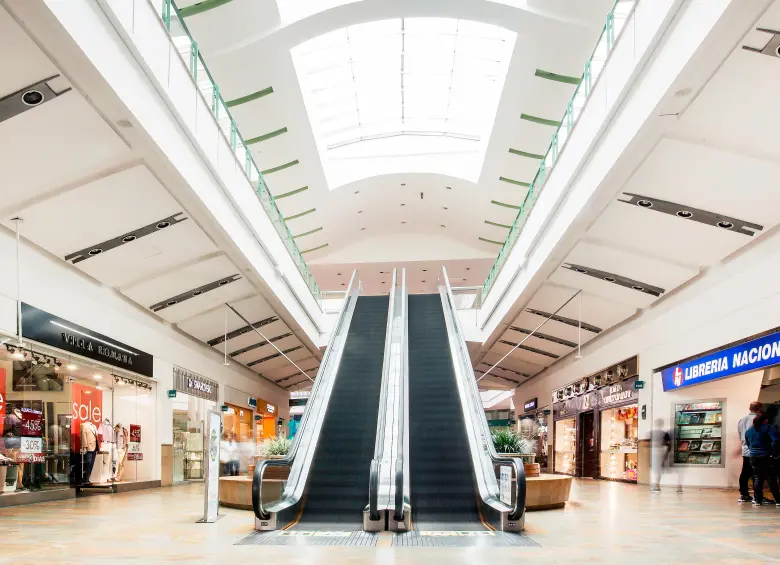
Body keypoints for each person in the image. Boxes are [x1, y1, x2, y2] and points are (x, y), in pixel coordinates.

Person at [745, 411, 780, 507]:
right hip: (766, 455)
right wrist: (774, 453)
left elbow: (748, 443)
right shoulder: (769, 428)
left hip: (753, 456)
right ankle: (778, 500)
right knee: (771, 478)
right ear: (766, 420)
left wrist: (753, 451)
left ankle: (757, 500)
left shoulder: (749, 430)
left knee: (757, 478)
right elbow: (775, 440)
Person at [737, 401, 763, 503]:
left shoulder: (742, 419)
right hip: (757, 450)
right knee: (757, 474)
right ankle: (758, 497)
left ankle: (744, 494)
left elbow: (740, 434)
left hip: (745, 450)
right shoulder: (758, 420)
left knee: (745, 472)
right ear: (759, 409)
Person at [650, 419, 672, 492]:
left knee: (656, 471)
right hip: (660, 454)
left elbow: (647, 444)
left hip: (655, 454)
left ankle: (657, 486)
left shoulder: (652, 433)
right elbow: (669, 445)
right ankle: (656, 485)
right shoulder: (664, 434)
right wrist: (666, 454)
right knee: (657, 471)